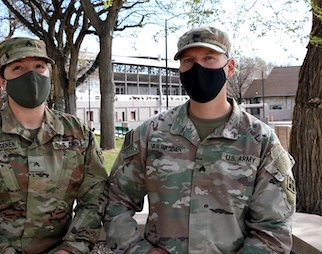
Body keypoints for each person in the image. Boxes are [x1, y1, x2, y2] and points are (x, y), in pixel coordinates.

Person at [104, 26, 296, 254]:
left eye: (209, 58)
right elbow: (114, 202)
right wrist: (139, 250)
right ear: (180, 69)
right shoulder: (149, 134)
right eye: (188, 60)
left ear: (230, 67)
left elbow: (274, 227)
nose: (198, 68)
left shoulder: (261, 141)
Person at [0, 37, 108, 254]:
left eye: (39, 67)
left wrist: (71, 249)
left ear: (49, 73)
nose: (31, 76)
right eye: (18, 68)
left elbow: (96, 197)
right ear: (2, 80)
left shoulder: (77, 132)